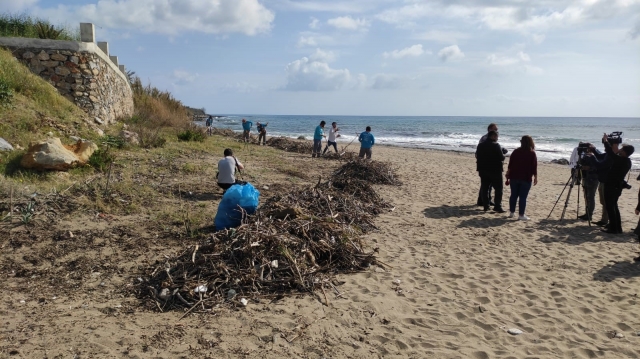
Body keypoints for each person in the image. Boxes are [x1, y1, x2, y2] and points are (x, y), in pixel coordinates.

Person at [586, 134, 634, 234]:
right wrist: (603, 145)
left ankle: (613, 228)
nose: (619, 150)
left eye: (621, 149)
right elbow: (610, 154)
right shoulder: (627, 161)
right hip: (617, 186)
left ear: (624, 152)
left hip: (612, 186)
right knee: (614, 206)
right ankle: (617, 227)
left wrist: (605, 141)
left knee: (610, 207)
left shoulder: (621, 160)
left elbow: (610, 154)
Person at [505, 135, 537, 220]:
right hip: (526, 178)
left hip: (514, 177)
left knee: (513, 195)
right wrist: (535, 177)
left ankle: (512, 212)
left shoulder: (516, 151)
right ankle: (521, 215)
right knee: (523, 197)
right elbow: (534, 167)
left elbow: (510, 164)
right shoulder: (532, 153)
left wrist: (508, 173)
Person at [476, 130, 506, 213]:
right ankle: (497, 206)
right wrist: (503, 153)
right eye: (496, 137)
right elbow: (501, 158)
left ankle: (486, 205)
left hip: (483, 170)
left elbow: (477, 156)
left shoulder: (480, 145)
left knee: (485, 188)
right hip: (495, 170)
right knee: (498, 189)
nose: (497, 138)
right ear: (493, 136)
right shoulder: (496, 145)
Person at [476, 123, 499, 207]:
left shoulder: (491, 139)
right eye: (495, 129)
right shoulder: (485, 138)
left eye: (497, 129)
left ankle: (485, 200)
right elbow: (481, 152)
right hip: (486, 165)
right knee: (486, 185)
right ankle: (483, 200)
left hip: (488, 165)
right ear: (489, 129)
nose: (496, 131)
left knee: (487, 185)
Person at [578, 143, 600, 222]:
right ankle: (587, 213)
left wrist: (589, 168)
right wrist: (580, 154)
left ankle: (589, 214)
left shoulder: (596, 154)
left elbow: (599, 166)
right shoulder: (585, 154)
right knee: (586, 196)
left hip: (593, 178)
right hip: (585, 177)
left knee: (590, 196)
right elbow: (581, 163)